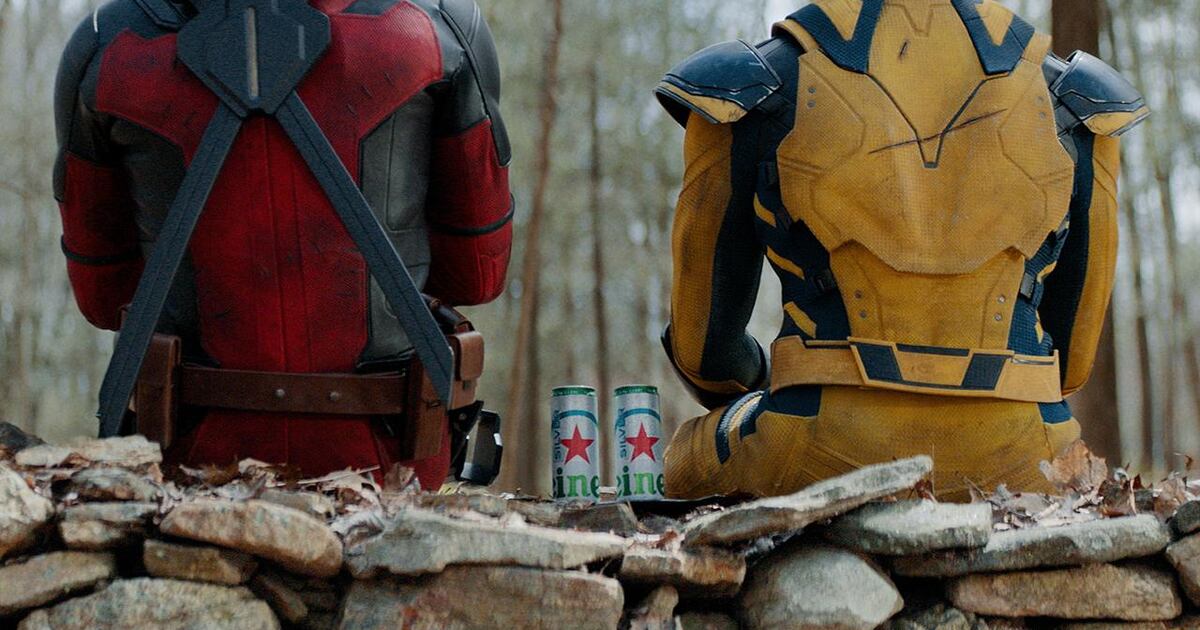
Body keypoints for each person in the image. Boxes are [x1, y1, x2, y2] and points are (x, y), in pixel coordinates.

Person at [655, 0, 1148, 500]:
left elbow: (706, 358)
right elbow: (1072, 365)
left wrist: (767, 378)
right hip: (1032, 458)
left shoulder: (754, 82)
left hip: (810, 447)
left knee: (681, 456)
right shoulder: (1074, 97)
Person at [53, 0, 512, 489]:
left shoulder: (107, 42)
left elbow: (104, 299)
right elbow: (477, 276)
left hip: (186, 469)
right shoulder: (438, 27)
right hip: (393, 471)